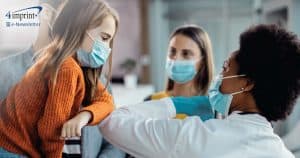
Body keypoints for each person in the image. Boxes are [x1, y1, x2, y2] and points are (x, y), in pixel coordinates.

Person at [100, 24, 300, 158]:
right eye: (172, 52)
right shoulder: (282, 154)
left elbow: (112, 123)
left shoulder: (195, 136)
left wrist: (175, 104)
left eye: (225, 69)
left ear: (246, 84)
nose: (220, 77)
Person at [0, 0, 119, 157]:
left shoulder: (70, 63)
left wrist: (85, 116)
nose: (106, 48)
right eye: (104, 38)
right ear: (79, 29)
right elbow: (51, 129)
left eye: (109, 40)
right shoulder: (67, 68)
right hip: (13, 150)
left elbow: (106, 101)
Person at [144, 25, 214, 120]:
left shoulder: (209, 109)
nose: (176, 58)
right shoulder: (151, 101)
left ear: (202, 61)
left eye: (186, 54)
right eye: (172, 52)